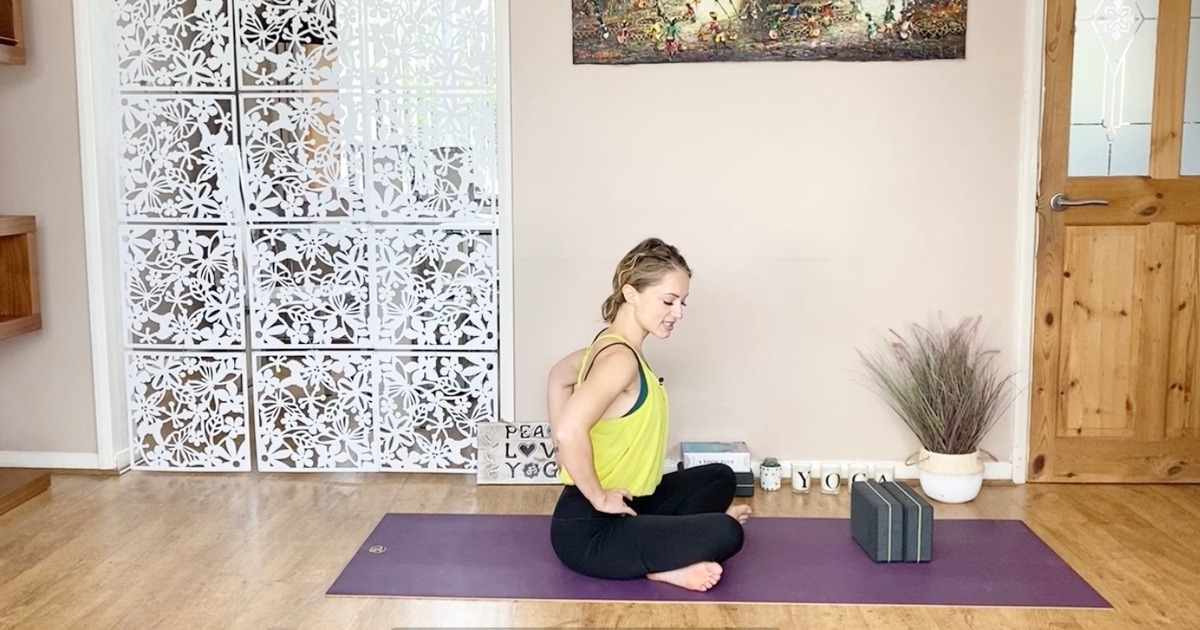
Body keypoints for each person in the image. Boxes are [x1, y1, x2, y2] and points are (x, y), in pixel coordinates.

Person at [546, 237, 750, 592]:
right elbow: (569, 431)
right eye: (669, 301)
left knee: (719, 477)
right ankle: (663, 568)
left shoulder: (609, 347)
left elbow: (557, 377)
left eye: (682, 302)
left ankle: (670, 545)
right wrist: (597, 495)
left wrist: (565, 451)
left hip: (630, 502)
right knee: (727, 532)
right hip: (590, 532)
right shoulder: (619, 360)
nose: (678, 313)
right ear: (631, 294)